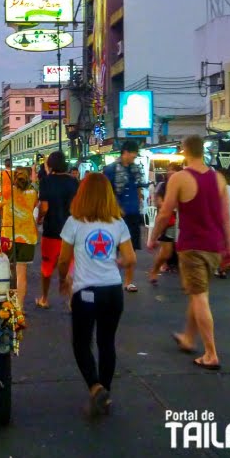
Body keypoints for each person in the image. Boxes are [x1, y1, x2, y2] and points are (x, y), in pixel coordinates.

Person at [149, 136, 230, 370]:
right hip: (213, 245)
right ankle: (188, 337)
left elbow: (165, 213)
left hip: (192, 246)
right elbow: (226, 217)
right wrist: (229, 247)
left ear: (185, 151)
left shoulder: (180, 178)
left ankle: (211, 353)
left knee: (199, 297)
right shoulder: (218, 179)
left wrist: (153, 236)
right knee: (199, 292)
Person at [58, 173, 136, 416]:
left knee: (81, 342)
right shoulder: (118, 223)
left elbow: (63, 260)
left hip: (86, 292)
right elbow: (131, 258)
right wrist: (113, 261)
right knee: (106, 342)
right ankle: (106, 391)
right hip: (113, 290)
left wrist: (64, 279)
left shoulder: (74, 222)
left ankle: (95, 386)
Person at [37, 151, 80, 309]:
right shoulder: (73, 181)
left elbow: (45, 207)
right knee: (71, 266)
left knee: (47, 266)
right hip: (71, 230)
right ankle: (71, 301)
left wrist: (39, 219)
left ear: (50, 164)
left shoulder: (46, 181)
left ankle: (44, 298)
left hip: (52, 230)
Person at [103, 140, 147, 292]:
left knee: (132, 248)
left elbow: (139, 188)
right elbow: (107, 192)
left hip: (133, 212)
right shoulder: (110, 169)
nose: (133, 159)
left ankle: (128, 281)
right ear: (125, 152)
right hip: (115, 214)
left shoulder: (135, 169)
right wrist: (115, 206)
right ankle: (111, 279)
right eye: (133, 155)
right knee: (112, 248)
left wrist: (139, 199)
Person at [0, 167, 38, 310]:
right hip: (27, 237)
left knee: (8, 269)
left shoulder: (7, 192)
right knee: (21, 273)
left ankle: (8, 304)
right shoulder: (33, 193)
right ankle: (19, 307)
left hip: (8, 235)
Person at [147, 163, 182, 285]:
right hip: (169, 221)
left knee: (184, 251)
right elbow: (159, 202)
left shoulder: (183, 185)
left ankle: (186, 279)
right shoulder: (163, 186)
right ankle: (154, 271)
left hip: (181, 221)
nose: (170, 174)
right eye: (169, 172)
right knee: (165, 252)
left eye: (173, 172)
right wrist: (171, 205)